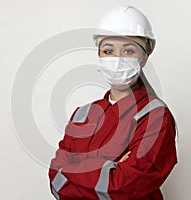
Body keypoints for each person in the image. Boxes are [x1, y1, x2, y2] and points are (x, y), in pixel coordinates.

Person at [48, 5, 177, 200]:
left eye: (128, 51)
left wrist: (73, 169)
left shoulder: (156, 117)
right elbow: (55, 180)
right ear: (98, 54)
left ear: (144, 57)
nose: (117, 60)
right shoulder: (82, 114)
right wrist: (110, 168)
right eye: (108, 51)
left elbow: (123, 188)